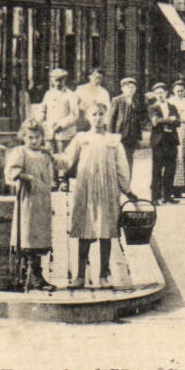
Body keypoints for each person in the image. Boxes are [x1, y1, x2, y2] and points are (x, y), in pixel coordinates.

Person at [59, 102, 133, 288]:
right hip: (86, 189)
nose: (98, 118)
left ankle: (103, 276)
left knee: (105, 232)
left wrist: (126, 188)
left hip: (107, 189)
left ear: (106, 116)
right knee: (85, 230)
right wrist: (53, 162)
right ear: (87, 117)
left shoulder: (113, 140)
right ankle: (80, 276)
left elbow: (121, 166)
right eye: (94, 114)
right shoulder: (81, 138)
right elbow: (67, 159)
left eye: (101, 114)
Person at [4, 118, 57, 292]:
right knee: (28, 233)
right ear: (24, 138)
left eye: (37, 137)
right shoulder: (21, 152)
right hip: (28, 199)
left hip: (42, 199)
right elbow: (11, 170)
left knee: (39, 234)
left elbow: (51, 172)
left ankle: (35, 273)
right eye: (30, 138)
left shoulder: (44, 154)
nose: (33, 141)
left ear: (42, 137)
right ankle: (34, 276)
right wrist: (25, 177)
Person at [146, 83, 182, 205]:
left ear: (167, 93)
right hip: (159, 142)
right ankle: (155, 197)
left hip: (171, 140)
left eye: (161, 92)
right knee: (156, 170)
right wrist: (169, 120)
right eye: (157, 93)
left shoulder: (172, 106)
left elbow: (178, 122)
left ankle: (168, 195)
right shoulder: (153, 107)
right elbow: (155, 122)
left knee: (170, 169)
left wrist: (170, 121)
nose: (159, 95)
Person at [106, 77, 148, 173]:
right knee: (118, 159)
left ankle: (127, 184)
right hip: (119, 134)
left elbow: (141, 119)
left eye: (133, 87)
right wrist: (110, 134)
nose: (130, 89)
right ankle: (117, 185)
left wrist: (139, 136)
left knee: (129, 159)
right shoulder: (117, 100)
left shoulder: (136, 102)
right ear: (122, 88)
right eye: (128, 87)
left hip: (132, 135)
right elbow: (111, 118)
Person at [42, 69, 81, 162]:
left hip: (64, 132)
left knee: (63, 158)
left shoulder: (71, 95)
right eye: (56, 80)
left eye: (61, 80)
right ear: (51, 80)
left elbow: (74, 114)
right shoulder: (48, 94)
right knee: (49, 156)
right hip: (49, 131)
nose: (58, 82)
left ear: (65, 80)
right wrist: (41, 123)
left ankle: (63, 176)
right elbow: (42, 110)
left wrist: (61, 125)